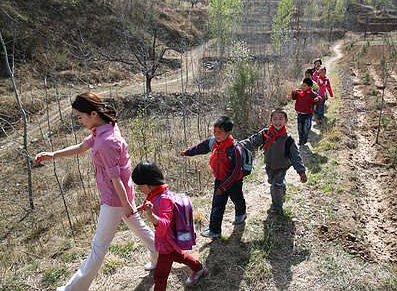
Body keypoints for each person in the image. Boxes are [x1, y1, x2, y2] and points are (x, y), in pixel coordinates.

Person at [35, 92, 158, 291]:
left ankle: (72, 289)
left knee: (98, 248)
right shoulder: (104, 128)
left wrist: (126, 205)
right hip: (121, 195)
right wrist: (53, 155)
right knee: (139, 228)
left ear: (93, 113)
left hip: (115, 199)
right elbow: (82, 146)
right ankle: (160, 253)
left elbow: (115, 177)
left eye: (80, 117)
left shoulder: (107, 141)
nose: (79, 121)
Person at [132, 161, 207, 290]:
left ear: (151, 183)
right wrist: (141, 208)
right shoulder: (155, 193)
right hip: (165, 242)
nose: (138, 188)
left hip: (166, 242)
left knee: (160, 276)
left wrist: (150, 215)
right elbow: (151, 203)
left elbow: (164, 224)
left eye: (140, 185)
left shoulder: (164, 199)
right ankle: (199, 268)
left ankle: (199, 268)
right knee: (178, 256)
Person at [181, 116, 246, 239]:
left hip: (234, 182)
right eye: (215, 131)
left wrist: (223, 187)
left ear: (229, 133)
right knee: (217, 205)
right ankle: (215, 231)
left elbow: (236, 171)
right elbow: (200, 147)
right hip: (219, 180)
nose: (216, 135)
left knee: (237, 199)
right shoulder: (213, 142)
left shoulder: (235, 149)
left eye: (220, 132)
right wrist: (187, 152)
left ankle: (241, 213)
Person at [239, 109, 307, 215]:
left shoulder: (288, 139)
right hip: (269, 165)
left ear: (286, 121)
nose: (277, 121)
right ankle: (281, 186)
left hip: (282, 166)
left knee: (275, 186)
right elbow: (252, 142)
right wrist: (238, 144)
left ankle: (277, 207)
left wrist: (301, 171)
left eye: (281, 119)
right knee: (272, 181)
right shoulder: (265, 133)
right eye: (275, 119)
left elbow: (295, 156)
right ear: (271, 120)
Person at [291, 78, 322, 145]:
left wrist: (318, 99)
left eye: (304, 86)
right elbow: (293, 97)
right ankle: (300, 139)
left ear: (309, 87)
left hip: (308, 114)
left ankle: (305, 139)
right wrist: (293, 92)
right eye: (302, 85)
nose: (302, 87)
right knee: (300, 128)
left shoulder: (312, 94)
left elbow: (319, 99)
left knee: (306, 128)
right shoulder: (299, 93)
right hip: (300, 114)